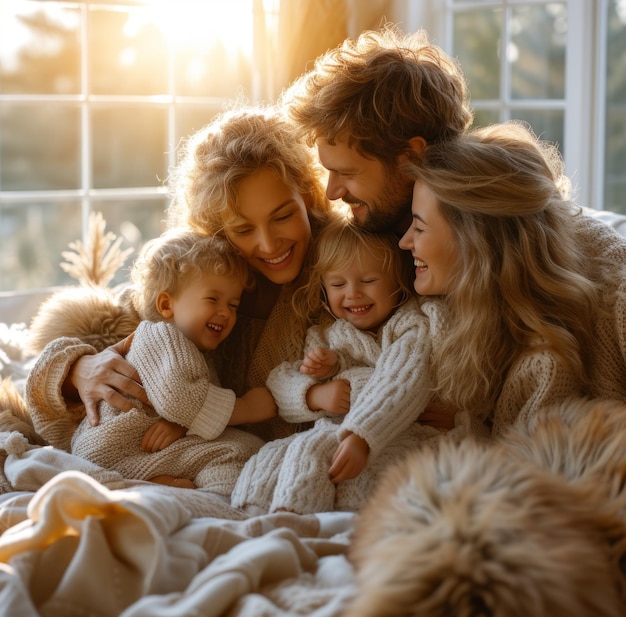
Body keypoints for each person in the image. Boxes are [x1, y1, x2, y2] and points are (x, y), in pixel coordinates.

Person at [28, 105, 338, 443]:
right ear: (220, 230)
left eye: (282, 216)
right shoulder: (209, 274)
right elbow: (116, 321)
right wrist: (78, 370)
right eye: (244, 228)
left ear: (307, 196)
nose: (268, 244)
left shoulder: (344, 276)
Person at [396, 120, 626, 434]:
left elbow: (525, 469)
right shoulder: (458, 313)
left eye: (420, 228)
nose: (404, 242)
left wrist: (471, 431)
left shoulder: (544, 363)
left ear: (475, 245)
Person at [230, 217, 456, 514]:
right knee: (271, 453)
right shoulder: (324, 335)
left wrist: (362, 435)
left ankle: (298, 518)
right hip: (337, 431)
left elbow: (400, 380)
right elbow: (279, 382)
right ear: (324, 289)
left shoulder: (410, 326)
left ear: (398, 283)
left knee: (317, 451)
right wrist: (314, 394)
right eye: (338, 284)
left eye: (368, 281)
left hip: (392, 431)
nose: (353, 293)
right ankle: (249, 513)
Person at [28, 230, 275, 493]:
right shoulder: (160, 336)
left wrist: (182, 423)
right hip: (115, 443)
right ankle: (208, 500)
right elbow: (179, 398)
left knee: (233, 452)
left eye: (234, 304)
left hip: (130, 449)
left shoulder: (197, 352)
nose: (225, 312)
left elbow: (183, 403)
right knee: (243, 448)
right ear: (166, 305)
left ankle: (168, 487)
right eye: (213, 299)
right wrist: (246, 408)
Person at [281, 25, 474, 234]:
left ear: (412, 156)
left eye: (347, 173)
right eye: (330, 171)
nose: (332, 193)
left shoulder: (473, 255)